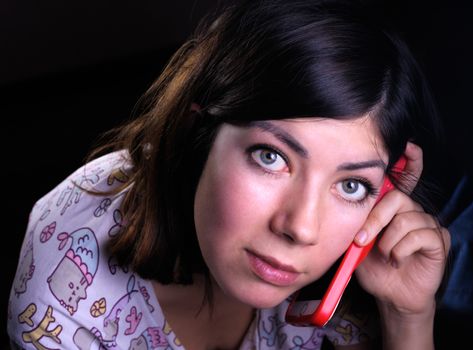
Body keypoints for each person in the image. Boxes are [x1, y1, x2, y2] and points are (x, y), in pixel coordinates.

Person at [7, 0, 450, 349]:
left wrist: (407, 317)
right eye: (271, 157)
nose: (301, 227)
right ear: (197, 130)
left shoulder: (353, 255)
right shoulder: (64, 281)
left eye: (351, 185)